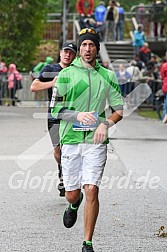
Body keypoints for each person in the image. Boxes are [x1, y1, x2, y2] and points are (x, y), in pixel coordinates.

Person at [51, 28, 123, 252]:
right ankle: (73, 204)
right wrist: (76, 115)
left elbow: (118, 109)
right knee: (73, 193)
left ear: (97, 48)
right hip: (71, 139)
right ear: (79, 49)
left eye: (91, 45)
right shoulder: (66, 75)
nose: (88, 49)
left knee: (92, 189)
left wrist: (105, 123)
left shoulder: (107, 76)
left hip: (95, 141)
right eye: (84, 45)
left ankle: (87, 243)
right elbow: (55, 108)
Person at [30, 42, 77, 197]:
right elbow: (34, 86)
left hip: (71, 114)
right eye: (66, 51)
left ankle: (66, 178)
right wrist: (52, 83)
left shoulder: (76, 71)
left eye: (71, 53)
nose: (67, 55)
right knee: (58, 151)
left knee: (69, 148)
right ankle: (63, 170)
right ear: (60, 52)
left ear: (74, 56)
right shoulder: (50, 69)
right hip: (54, 114)